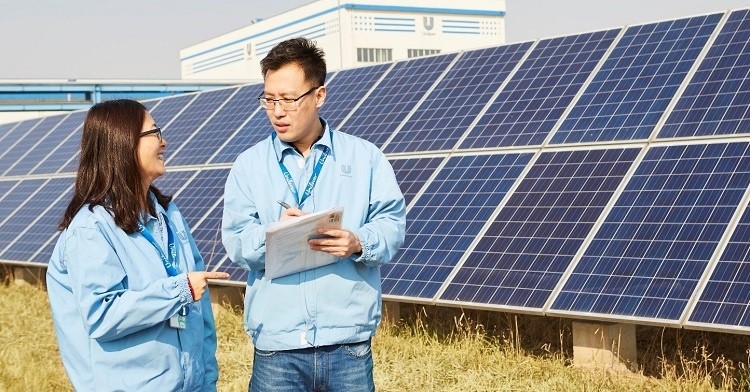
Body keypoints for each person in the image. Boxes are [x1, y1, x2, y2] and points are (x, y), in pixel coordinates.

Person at [222, 37, 406, 391]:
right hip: (278, 348)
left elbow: (391, 225)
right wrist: (273, 235)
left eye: (289, 99)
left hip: (347, 345)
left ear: (318, 95)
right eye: (269, 100)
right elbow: (236, 242)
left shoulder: (365, 158)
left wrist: (358, 242)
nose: (277, 111)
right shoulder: (249, 166)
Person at [46, 99, 230, 391]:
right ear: (125, 143)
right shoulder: (92, 228)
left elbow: (199, 312)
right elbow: (101, 315)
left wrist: (207, 380)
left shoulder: (168, 215)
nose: (164, 142)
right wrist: (177, 291)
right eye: (155, 133)